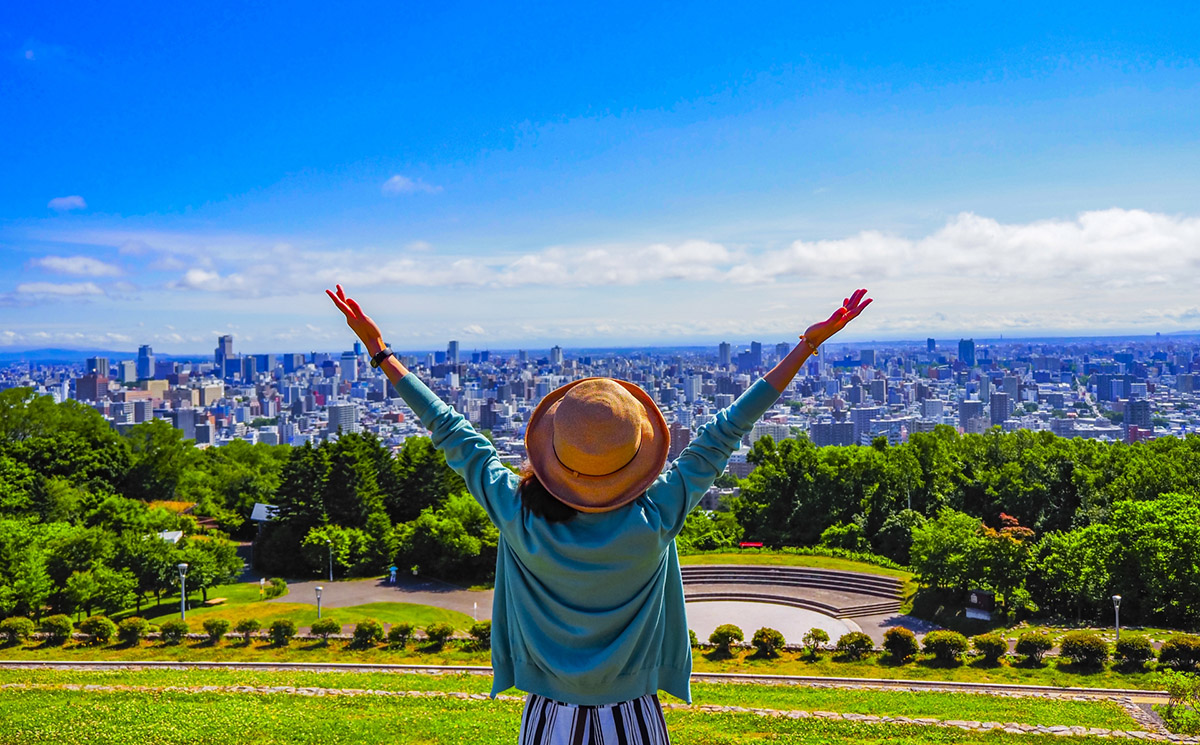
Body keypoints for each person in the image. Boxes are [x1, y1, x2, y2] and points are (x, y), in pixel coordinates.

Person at [327, 286, 871, 744]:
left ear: (552, 455)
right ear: (635, 459)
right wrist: (807, 346)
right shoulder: (656, 518)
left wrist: (380, 353)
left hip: (549, 716)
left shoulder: (520, 517)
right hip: (634, 715)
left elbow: (452, 432)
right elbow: (724, 432)